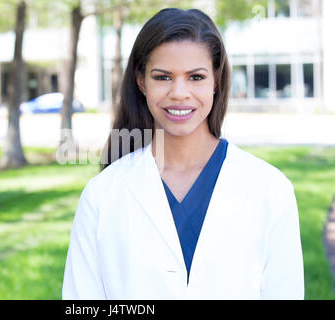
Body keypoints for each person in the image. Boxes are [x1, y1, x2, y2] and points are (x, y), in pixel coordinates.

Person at [62, 8, 304, 299]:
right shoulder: (102, 195)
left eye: (196, 77)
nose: (179, 92)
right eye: (163, 77)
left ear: (216, 80)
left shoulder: (270, 189)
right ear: (141, 82)